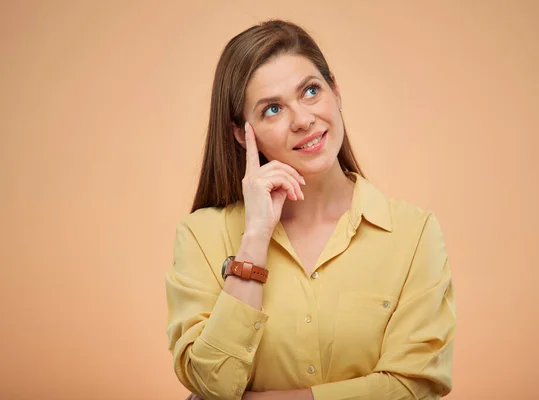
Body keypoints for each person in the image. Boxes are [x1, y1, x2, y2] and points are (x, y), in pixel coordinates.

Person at [165, 19, 456, 400]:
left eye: (311, 91)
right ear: (241, 133)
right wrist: (254, 240)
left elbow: (414, 385)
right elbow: (210, 381)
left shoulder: (414, 233)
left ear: (335, 91)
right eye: (272, 109)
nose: (303, 120)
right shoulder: (200, 236)